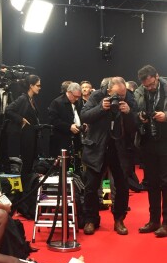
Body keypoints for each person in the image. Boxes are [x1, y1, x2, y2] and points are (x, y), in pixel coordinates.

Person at [81, 77, 138, 235]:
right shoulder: (97, 96)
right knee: (91, 187)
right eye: (117, 96)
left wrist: (128, 113)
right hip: (97, 148)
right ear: (108, 91)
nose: (120, 99)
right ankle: (91, 220)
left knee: (122, 187)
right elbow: (84, 116)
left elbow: (135, 126)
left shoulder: (129, 99)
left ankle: (119, 219)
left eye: (122, 95)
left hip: (120, 150)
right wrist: (101, 108)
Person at [135, 65, 167, 237]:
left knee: (166, 182)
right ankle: (154, 220)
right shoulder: (140, 92)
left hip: (165, 141)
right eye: (146, 86)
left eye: (151, 84)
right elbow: (134, 111)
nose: (149, 88)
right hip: (148, 141)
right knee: (152, 183)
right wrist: (139, 117)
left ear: (157, 76)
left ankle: (166, 223)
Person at [5, 75, 42, 188]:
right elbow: (8, 110)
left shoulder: (31, 100)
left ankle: (26, 192)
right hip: (22, 139)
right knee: (21, 167)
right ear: (31, 86)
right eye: (38, 85)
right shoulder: (23, 98)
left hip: (29, 138)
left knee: (28, 166)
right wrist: (21, 119)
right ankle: (19, 194)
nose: (40, 88)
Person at [48, 82, 83, 172]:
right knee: (62, 167)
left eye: (78, 97)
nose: (77, 99)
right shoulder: (57, 102)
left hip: (75, 139)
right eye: (75, 96)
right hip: (61, 140)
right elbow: (53, 121)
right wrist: (69, 127)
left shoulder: (77, 102)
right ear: (69, 92)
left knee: (76, 166)